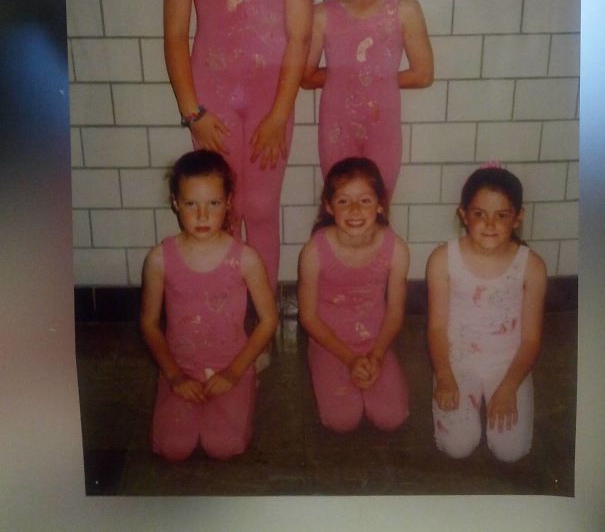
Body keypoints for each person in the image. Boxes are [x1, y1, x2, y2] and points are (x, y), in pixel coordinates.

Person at [164, 0, 313, 291]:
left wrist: (280, 114)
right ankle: (224, 310)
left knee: (262, 209)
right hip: (211, 103)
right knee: (220, 210)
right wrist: (193, 112)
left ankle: (262, 314)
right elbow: (174, 36)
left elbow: (299, 37)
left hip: (271, 100)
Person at [140, 150, 278, 461]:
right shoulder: (159, 259)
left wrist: (235, 372)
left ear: (228, 203)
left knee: (223, 446)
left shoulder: (245, 259)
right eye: (191, 204)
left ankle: (248, 384)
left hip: (232, 366)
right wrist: (174, 376)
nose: (202, 216)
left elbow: (269, 320)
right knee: (173, 448)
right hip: (181, 367)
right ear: (175, 203)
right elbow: (148, 323)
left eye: (213, 203)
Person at [302, 0, 433, 197]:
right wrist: (350, 77)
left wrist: (373, 78)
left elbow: (423, 74)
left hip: (382, 131)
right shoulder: (322, 15)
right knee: (340, 203)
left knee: (379, 204)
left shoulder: (405, 10)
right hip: (337, 129)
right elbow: (306, 77)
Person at [426, 165, 547, 462]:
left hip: (507, 365)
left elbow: (531, 339)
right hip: (457, 363)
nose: (490, 224)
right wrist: (444, 376)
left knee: (511, 451)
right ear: (464, 215)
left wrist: (509, 388)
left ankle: (509, 393)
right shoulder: (442, 259)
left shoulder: (532, 266)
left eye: (502, 215)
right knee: (457, 446)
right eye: (480, 213)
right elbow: (437, 328)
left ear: (518, 217)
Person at [298, 157, 410, 432]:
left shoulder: (396, 249)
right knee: (342, 421)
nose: (355, 210)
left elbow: (395, 311)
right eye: (344, 201)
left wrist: (378, 355)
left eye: (365, 200)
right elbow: (308, 317)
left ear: (380, 204)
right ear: (329, 206)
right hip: (329, 343)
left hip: (375, 342)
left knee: (392, 417)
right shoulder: (314, 251)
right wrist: (349, 359)